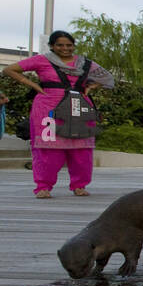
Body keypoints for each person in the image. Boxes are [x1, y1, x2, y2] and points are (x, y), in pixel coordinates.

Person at [3, 30, 114, 198]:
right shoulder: (42, 60)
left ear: (74, 46)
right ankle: (43, 186)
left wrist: (91, 87)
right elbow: (10, 70)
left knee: (81, 148)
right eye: (60, 45)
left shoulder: (85, 63)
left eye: (69, 45)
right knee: (47, 148)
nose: (65, 48)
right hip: (48, 107)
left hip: (78, 107)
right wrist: (33, 85)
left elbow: (106, 77)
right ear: (52, 46)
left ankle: (79, 185)